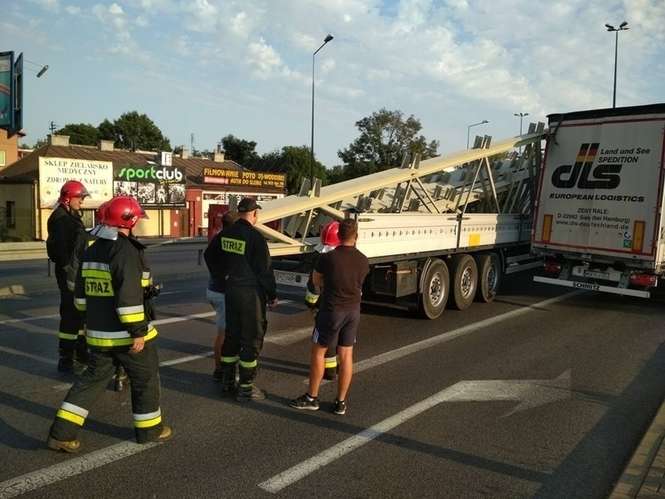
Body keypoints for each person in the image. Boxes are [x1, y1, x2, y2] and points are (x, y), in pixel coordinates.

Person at [47, 195, 172, 452]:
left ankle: (61, 434)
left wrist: (91, 322)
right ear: (130, 220)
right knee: (145, 378)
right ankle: (150, 430)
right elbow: (128, 298)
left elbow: (80, 299)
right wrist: (137, 332)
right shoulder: (126, 251)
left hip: (98, 335)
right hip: (126, 336)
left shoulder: (92, 251)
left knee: (91, 382)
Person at [290, 218, 369, 415]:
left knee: (319, 352)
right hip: (353, 311)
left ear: (338, 236)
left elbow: (316, 281)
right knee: (347, 355)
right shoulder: (363, 259)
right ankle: (341, 402)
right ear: (356, 236)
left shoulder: (328, 258)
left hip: (332, 310)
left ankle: (312, 397)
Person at [218, 198, 277, 401]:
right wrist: (272, 295)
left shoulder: (226, 234)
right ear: (254, 214)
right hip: (251, 295)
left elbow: (211, 256)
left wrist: (223, 277)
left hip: (232, 291)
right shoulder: (255, 237)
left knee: (232, 336)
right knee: (251, 339)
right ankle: (245, 388)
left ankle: (227, 382)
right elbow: (265, 270)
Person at [46, 180, 92, 373]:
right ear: (68, 198)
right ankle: (66, 358)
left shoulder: (70, 215)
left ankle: (80, 352)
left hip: (75, 271)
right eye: (79, 198)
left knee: (79, 313)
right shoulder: (61, 219)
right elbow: (61, 250)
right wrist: (69, 273)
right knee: (70, 313)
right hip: (69, 273)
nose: (82, 201)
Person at [304, 221, 342, 381]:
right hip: (345, 307)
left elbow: (314, 287)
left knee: (325, 340)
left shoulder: (320, 259)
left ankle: (330, 371)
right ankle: (337, 367)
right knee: (341, 339)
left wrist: (311, 304)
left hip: (325, 307)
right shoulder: (346, 258)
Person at [204, 209, 239, 380]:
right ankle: (219, 370)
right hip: (222, 293)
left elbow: (207, 255)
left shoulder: (218, 237)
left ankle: (222, 368)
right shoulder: (230, 240)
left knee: (226, 332)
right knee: (224, 334)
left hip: (213, 290)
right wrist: (224, 275)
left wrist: (217, 274)